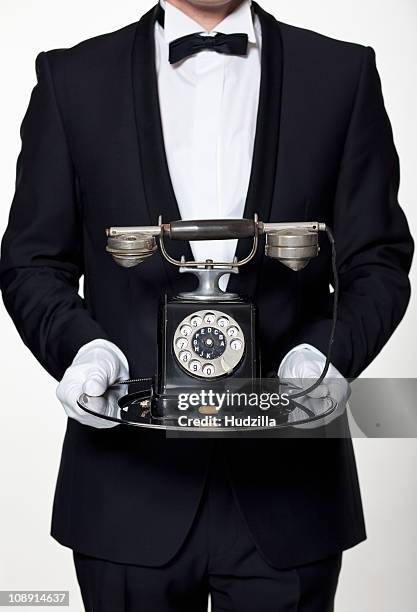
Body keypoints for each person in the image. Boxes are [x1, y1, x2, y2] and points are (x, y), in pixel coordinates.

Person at [0, 0, 413, 610]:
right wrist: (81, 349)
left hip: (290, 492)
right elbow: (33, 261)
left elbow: (377, 257)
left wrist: (327, 354)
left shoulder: (341, 72)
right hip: (126, 486)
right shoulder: (73, 78)